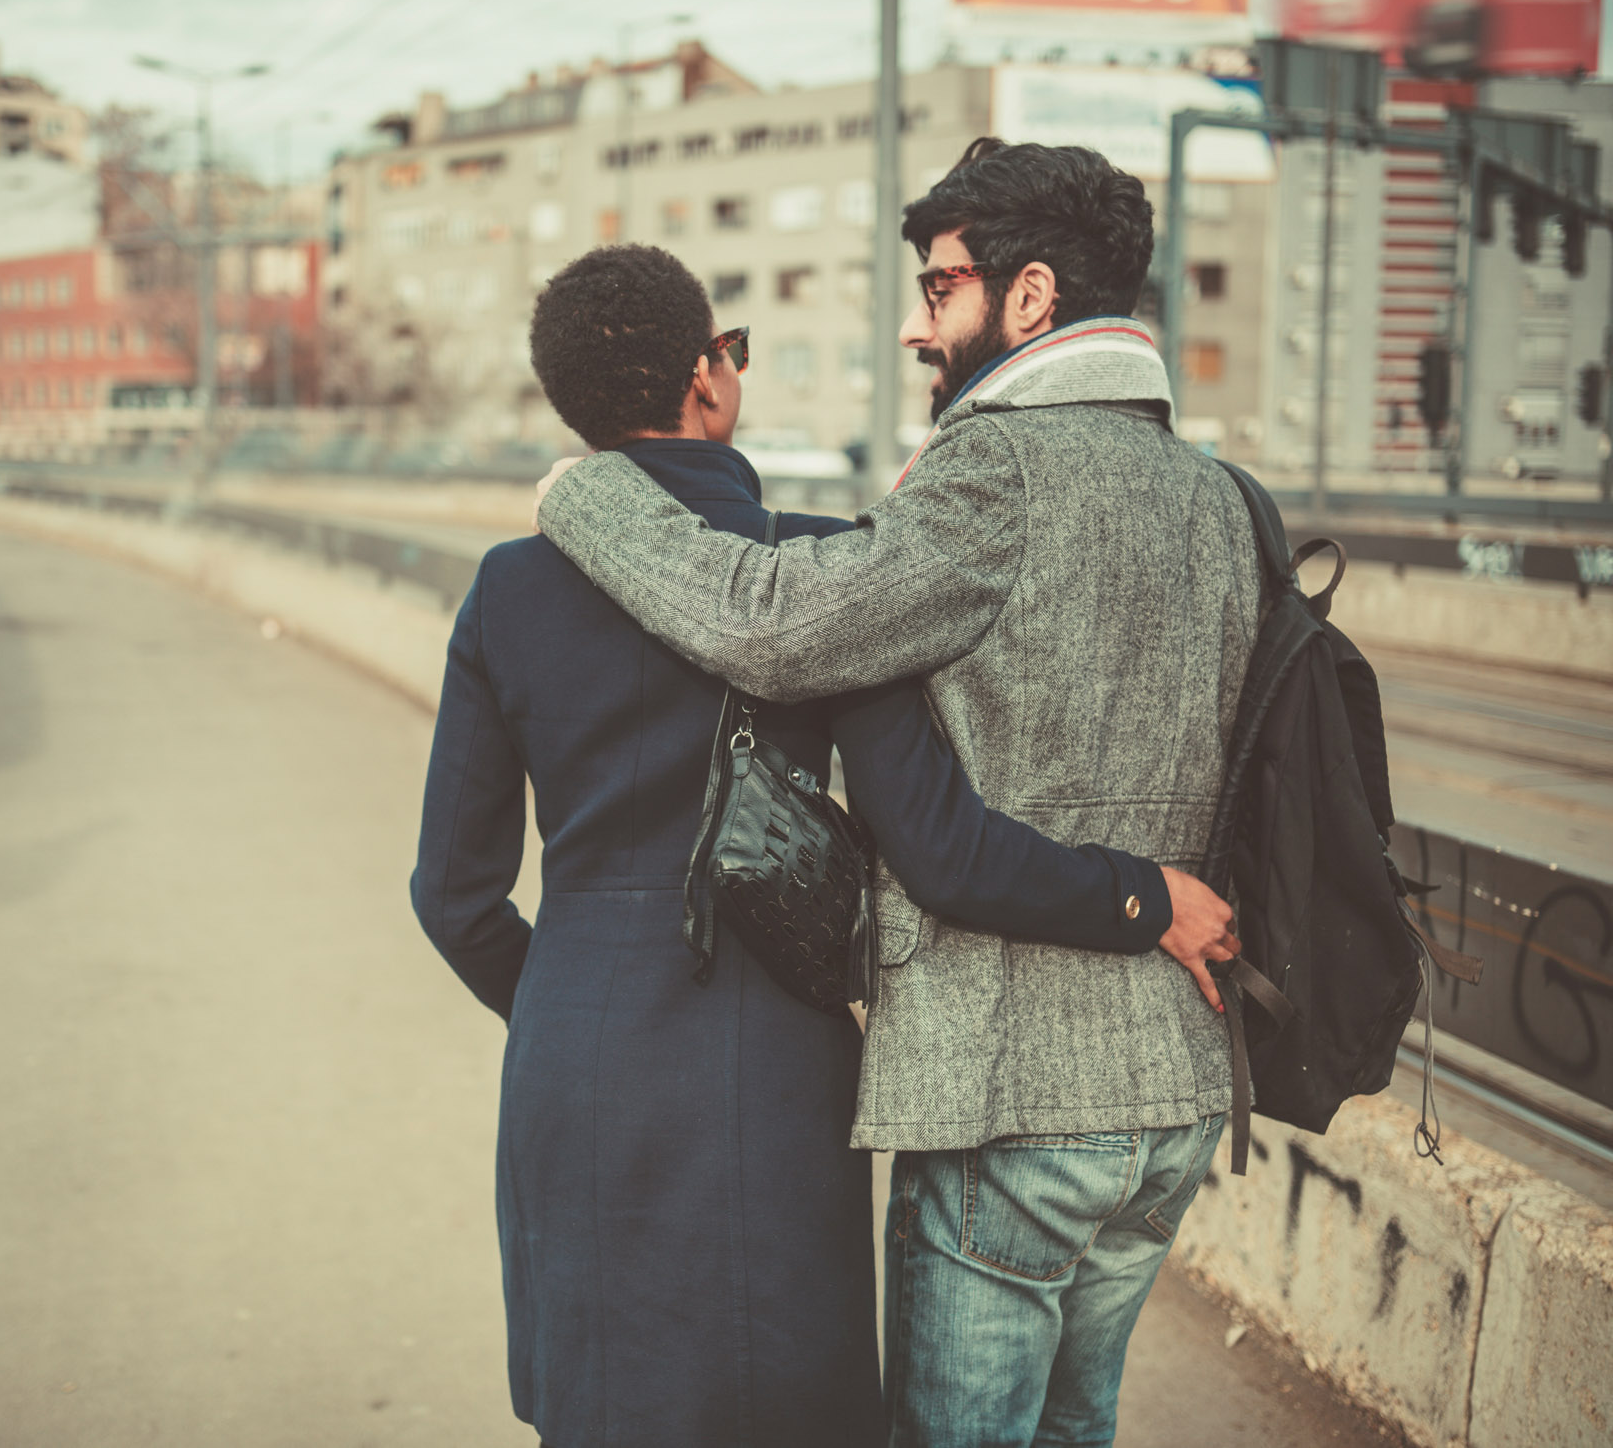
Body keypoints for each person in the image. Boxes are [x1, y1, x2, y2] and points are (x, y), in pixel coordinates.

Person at [414, 242, 1239, 1448]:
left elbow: (453, 895)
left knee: (603, 1405)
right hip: (778, 1063)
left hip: (574, 1054)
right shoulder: (823, 567)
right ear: (708, 379)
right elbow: (931, 839)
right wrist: (1135, 893)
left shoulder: (508, 590)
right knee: (778, 1398)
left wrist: (560, 997)